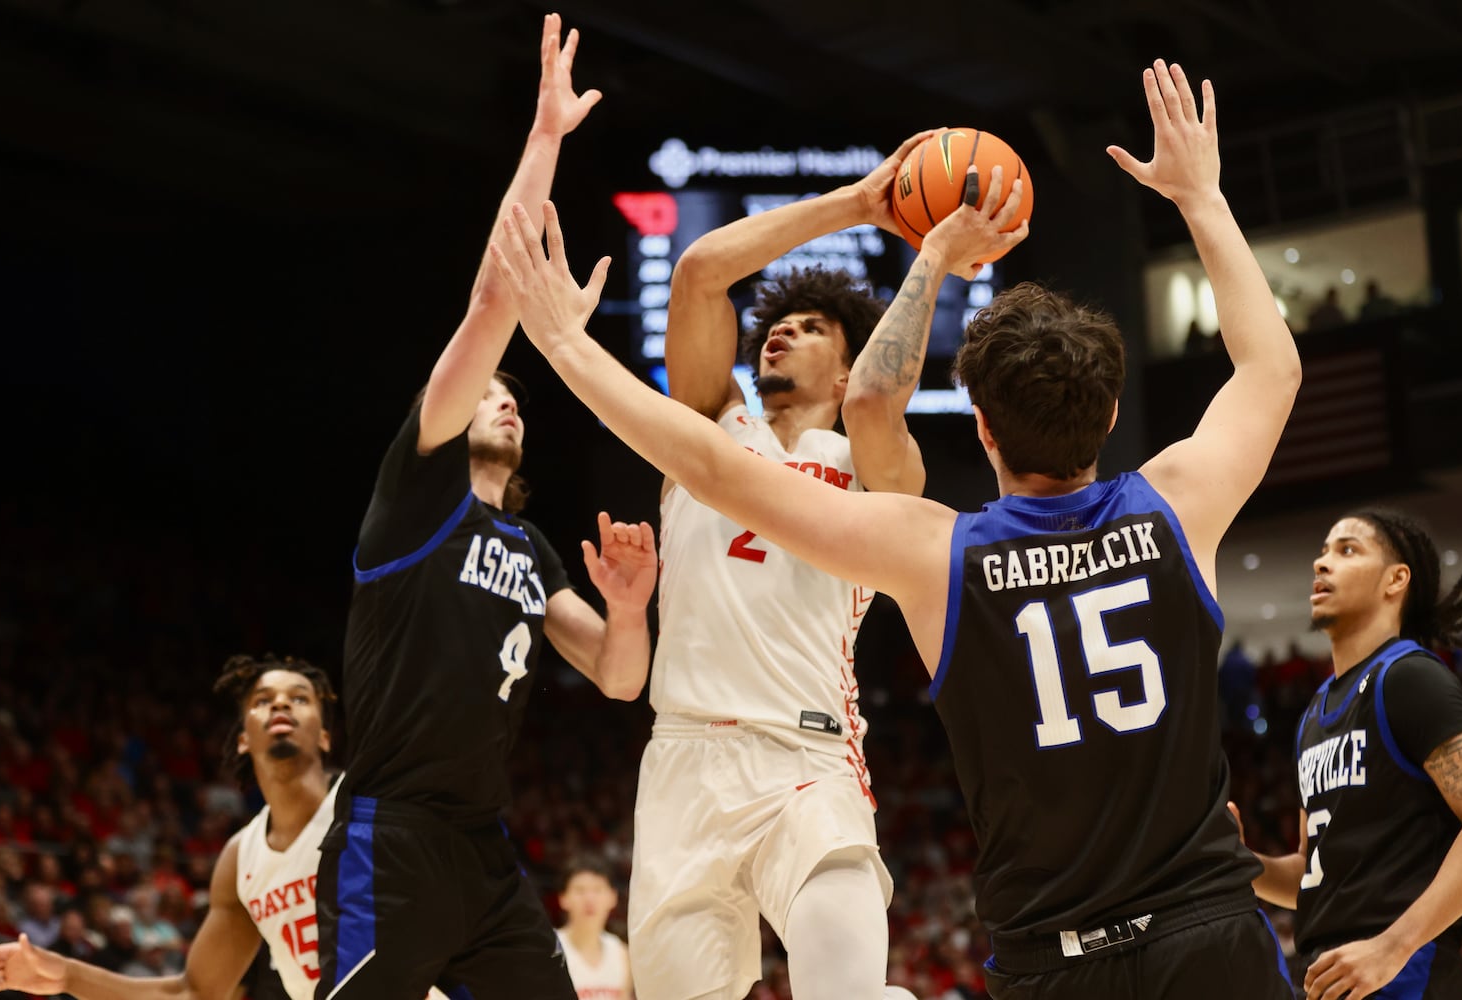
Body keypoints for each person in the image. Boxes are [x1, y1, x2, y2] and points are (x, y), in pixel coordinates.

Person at [491, 59, 1301, 1000]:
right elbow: (1270, 372)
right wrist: (1200, 197)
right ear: (1112, 409)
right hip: (1199, 923)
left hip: (988, 899)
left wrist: (561, 343)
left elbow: (780, 440)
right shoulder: (1166, 508)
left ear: (983, 428)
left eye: (809, 328)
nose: (781, 335)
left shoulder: (939, 548)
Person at [628, 121, 1023, 999]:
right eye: (778, 326)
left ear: (843, 373)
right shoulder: (706, 429)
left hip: (803, 756)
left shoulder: (867, 466)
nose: (780, 336)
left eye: (809, 330)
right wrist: (857, 204)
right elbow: (698, 273)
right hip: (681, 758)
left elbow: (883, 397)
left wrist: (930, 252)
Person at [318, 14, 656, 1000]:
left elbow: (619, 679)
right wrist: (546, 137)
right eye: (489, 391)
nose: (502, 394)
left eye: (514, 394)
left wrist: (630, 609)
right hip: (394, 833)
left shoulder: (532, 547)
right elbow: (492, 299)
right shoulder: (416, 493)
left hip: (480, 846)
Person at [0, 655, 450, 1000]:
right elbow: (194, 992)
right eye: (263, 700)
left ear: (324, 734)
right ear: (243, 738)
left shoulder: (374, 805)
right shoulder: (242, 859)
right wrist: (67, 977)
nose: (281, 705)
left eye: (299, 698)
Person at [1236, 510, 1462, 1000]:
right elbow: (1312, 871)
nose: (1322, 563)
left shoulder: (1410, 678)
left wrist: (1393, 947)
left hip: (1401, 976)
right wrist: (1243, 863)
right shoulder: (1315, 711)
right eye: (1324, 550)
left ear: (1396, 580)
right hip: (1332, 976)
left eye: (1347, 550)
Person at [555, 860, 632, 1000]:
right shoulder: (550, 948)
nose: (589, 899)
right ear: (563, 898)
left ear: (612, 897)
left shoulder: (622, 953)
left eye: (598, 890)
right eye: (580, 890)